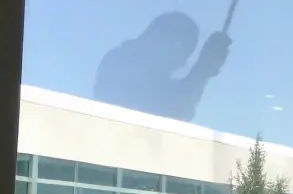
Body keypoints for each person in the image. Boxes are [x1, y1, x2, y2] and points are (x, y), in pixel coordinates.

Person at [93, 12, 230, 122]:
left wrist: (204, 68)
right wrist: (201, 71)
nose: (178, 60)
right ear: (156, 35)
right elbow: (163, 110)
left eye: (185, 54)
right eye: (178, 46)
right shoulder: (121, 62)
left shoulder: (155, 80)